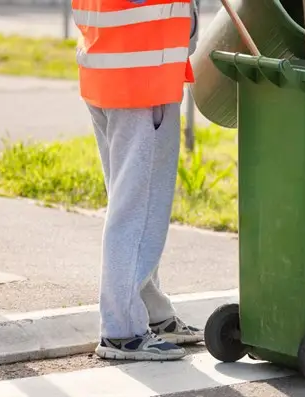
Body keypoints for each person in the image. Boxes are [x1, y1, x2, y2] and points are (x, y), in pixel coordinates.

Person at [71, 0, 204, 361]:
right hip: (144, 78)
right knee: (138, 209)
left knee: (129, 201)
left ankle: (152, 311)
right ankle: (122, 329)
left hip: (105, 72)